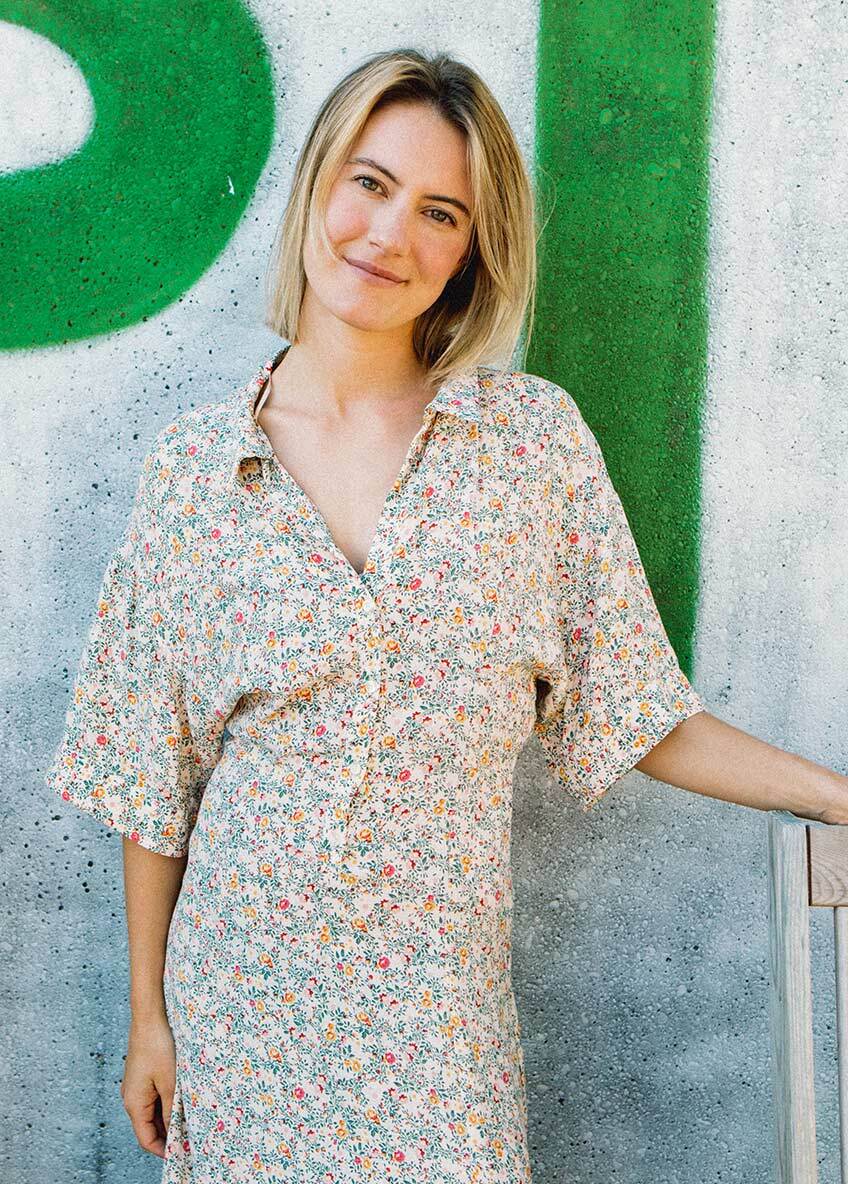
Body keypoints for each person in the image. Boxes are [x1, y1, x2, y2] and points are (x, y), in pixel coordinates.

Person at [45, 46, 848, 1184]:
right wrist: (149, 1018)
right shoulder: (194, 474)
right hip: (240, 1036)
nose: (388, 235)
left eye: (439, 213)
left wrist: (834, 793)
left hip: (440, 1050)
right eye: (370, 184)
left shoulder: (527, 447)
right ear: (319, 184)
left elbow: (637, 710)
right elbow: (152, 778)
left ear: (472, 251)